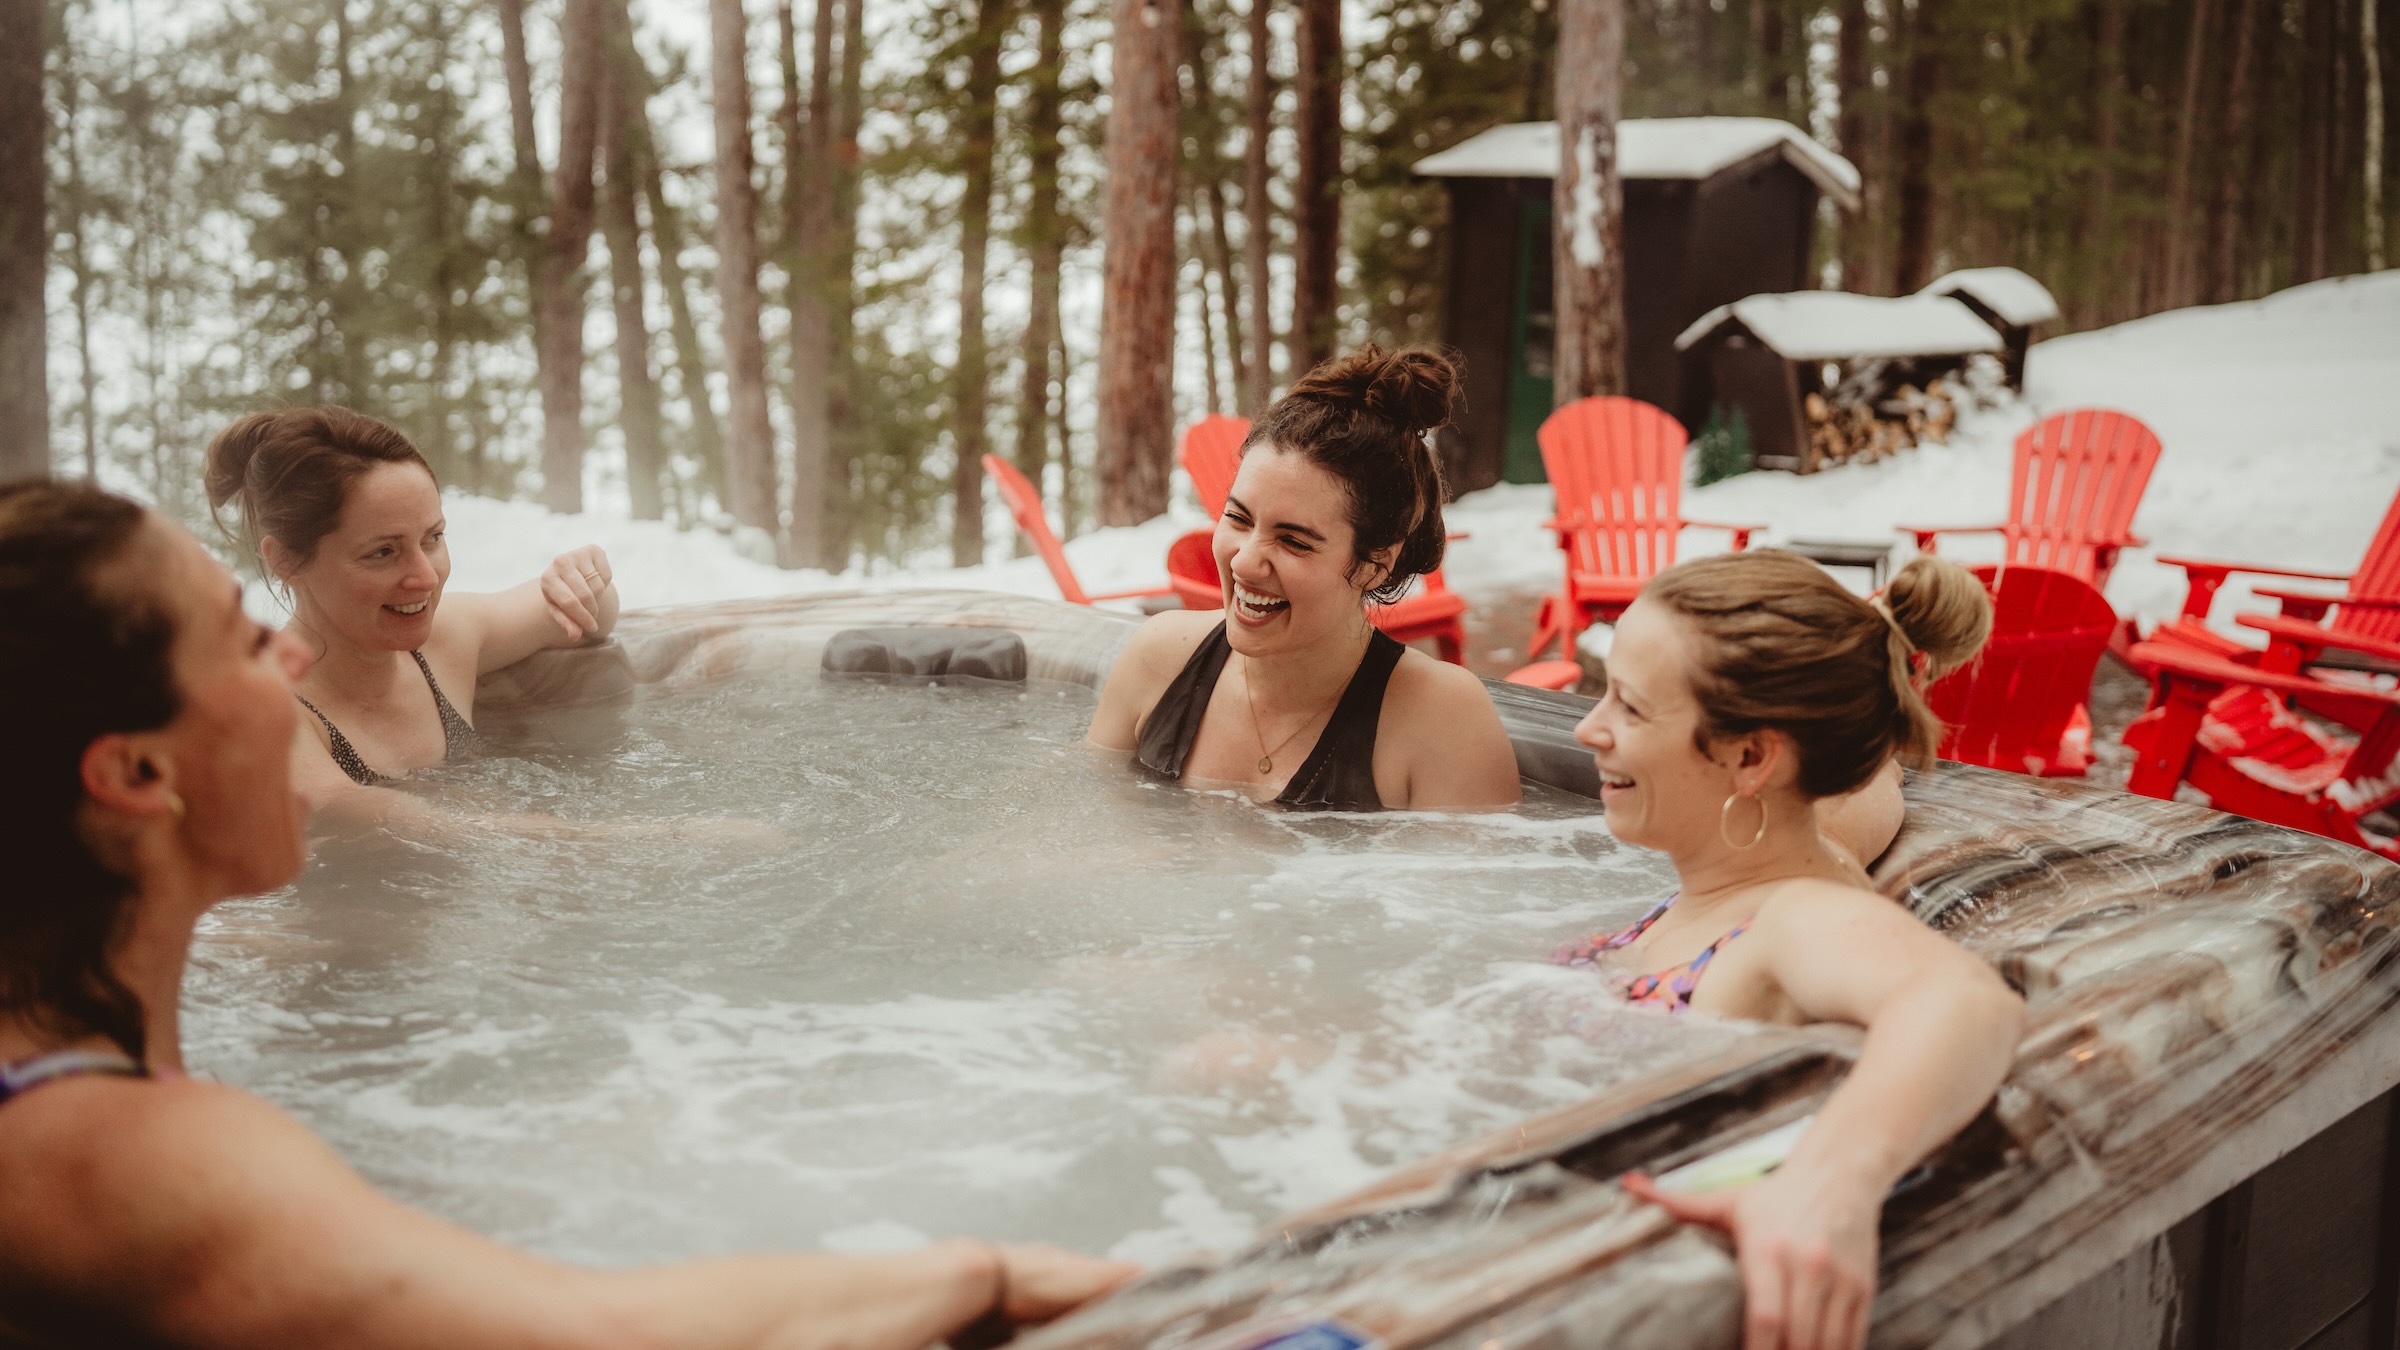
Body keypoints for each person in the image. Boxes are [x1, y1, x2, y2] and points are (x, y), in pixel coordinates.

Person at [0, 481, 1136, 1348]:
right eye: (248, 642)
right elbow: (592, 1338)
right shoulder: (134, 1160)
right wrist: (978, 1274)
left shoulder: (60, 1067)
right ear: (137, 778)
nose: (292, 653)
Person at [1562, 549, 2022, 1350]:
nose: (1586, 727)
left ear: (1751, 757)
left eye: (1629, 708)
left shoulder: (1794, 913)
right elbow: (1862, 788)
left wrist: (1831, 1181)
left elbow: (1966, 999)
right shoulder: (1760, 857)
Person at [1087, 347, 1520, 811]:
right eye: (1238, 517)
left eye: (1294, 542)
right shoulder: (1158, 660)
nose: (1246, 562)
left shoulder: (1441, 720)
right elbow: (1088, 838)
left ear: (1375, 563)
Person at [203, 407, 619, 811]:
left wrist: (580, 576)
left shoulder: (445, 641)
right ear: (286, 561)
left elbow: (593, 614)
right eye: (383, 552)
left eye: (433, 538)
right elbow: (418, 831)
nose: (426, 577)